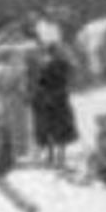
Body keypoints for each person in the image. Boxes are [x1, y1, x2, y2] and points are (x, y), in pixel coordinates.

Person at [31, 42, 79, 171]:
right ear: (56, 51)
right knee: (62, 128)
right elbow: (74, 72)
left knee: (50, 128)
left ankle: (51, 156)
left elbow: (40, 83)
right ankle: (60, 158)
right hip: (60, 99)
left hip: (48, 99)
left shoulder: (43, 64)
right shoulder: (62, 63)